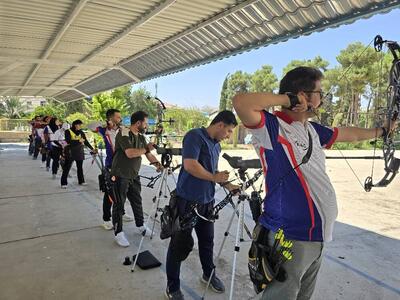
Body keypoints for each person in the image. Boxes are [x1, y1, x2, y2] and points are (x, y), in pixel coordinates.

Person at [232, 66, 398, 300]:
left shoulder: (310, 130)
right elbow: (240, 102)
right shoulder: (272, 127)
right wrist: (287, 99)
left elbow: (348, 134)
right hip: (290, 235)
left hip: (316, 236)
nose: (323, 98)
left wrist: (382, 131)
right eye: (319, 92)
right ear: (302, 95)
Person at [165, 110, 238, 300]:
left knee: (207, 243)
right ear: (220, 124)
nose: (229, 136)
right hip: (186, 202)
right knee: (178, 246)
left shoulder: (216, 146)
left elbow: (210, 170)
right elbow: (190, 165)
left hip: (207, 202)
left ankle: (208, 274)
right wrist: (214, 177)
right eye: (229, 131)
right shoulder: (194, 136)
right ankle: (172, 287)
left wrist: (226, 184)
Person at [110, 111, 163, 247]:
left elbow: (148, 154)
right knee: (119, 205)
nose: (146, 126)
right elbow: (130, 153)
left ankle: (141, 226)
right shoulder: (124, 133)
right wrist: (146, 149)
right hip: (120, 175)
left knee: (137, 201)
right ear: (138, 123)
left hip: (133, 175)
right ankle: (118, 233)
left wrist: (158, 164)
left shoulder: (140, 136)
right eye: (145, 123)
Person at [88, 109, 134, 230]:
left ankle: (121, 212)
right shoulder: (104, 130)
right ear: (111, 118)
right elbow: (90, 125)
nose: (120, 119)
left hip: (123, 165)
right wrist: (104, 123)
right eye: (118, 117)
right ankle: (106, 219)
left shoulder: (123, 129)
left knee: (122, 192)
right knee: (110, 193)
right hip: (111, 166)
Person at [60, 119, 96, 188]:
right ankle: (63, 183)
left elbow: (85, 142)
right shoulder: (68, 131)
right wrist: (79, 141)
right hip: (70, 152)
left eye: (80, 125)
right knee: (67, 167)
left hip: (79, 151)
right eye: (79, 125)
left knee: (80, 167)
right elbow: (68, 141)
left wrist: (92, 149)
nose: (80, 126)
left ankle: (81, 181)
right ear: (75, 125)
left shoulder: (81, 132)